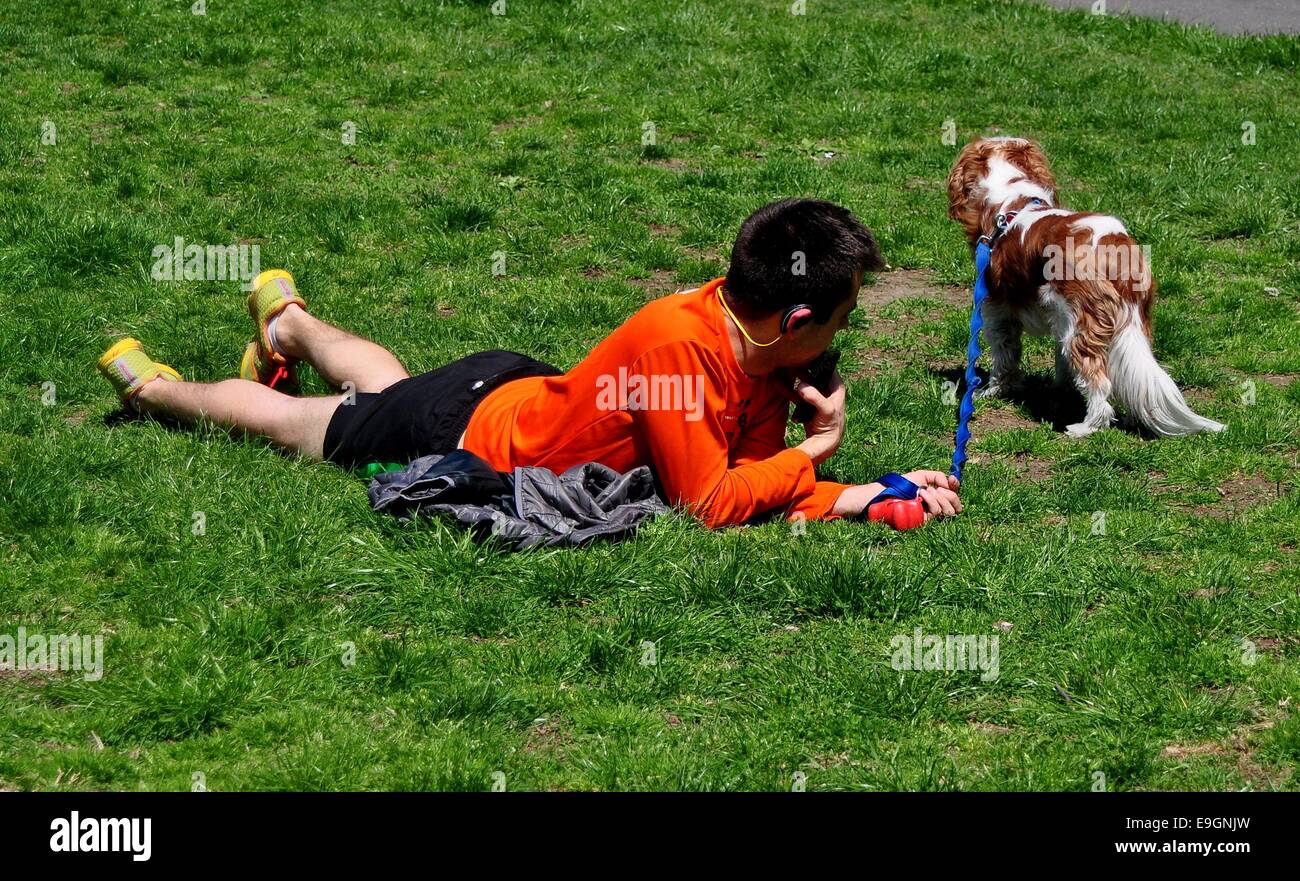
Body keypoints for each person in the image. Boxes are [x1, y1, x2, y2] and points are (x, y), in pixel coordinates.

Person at [97, 198, 962, 529]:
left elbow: (743, 476)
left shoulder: (757, 345)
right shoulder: (680, 348)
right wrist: (817, 456)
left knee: (385, 387)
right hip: (474, 435)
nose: (848, 338)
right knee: (309, 424)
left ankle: (288, 321)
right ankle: (158, 389)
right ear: (797, 316)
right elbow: (711, 503)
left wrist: (871, 493)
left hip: (513, 389)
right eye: (843, 319)